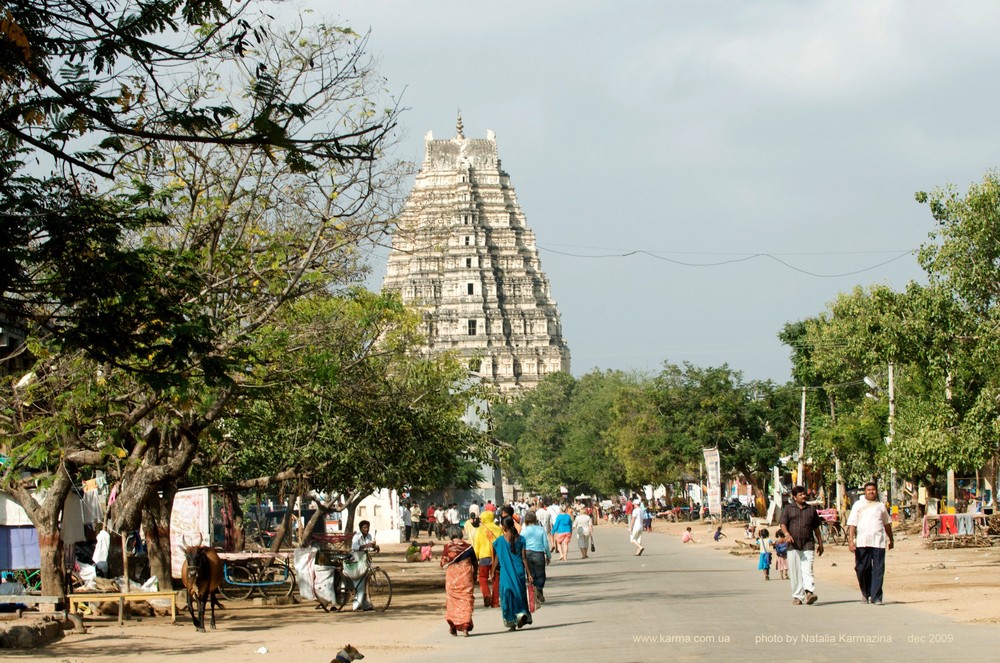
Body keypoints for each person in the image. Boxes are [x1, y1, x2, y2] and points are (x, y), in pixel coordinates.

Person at [847, 481, 894, 605]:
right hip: (862, 542)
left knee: (878, 570)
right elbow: (852, 523)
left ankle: (877, 597)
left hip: (878, 542)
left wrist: (891, 539)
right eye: (869, 490)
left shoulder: (881, 506)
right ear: (865, 492)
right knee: (862, 569)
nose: (871, 492)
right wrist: (850, 540)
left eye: (873, 490)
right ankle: (865, 592)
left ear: (876, 491)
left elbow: (887, 524)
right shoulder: (858, 505)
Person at [779, 485, 824, 605]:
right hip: (792, 545)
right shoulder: (788, 509)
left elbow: (816, 528)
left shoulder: (811, 510)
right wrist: (787, 534)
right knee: (794, 571)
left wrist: (820, 543)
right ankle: (797, 596)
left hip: (808, 543)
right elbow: (783, 523)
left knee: (808, 569)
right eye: (800, 494)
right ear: (794, 497)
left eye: (804, 494)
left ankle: (809, 592)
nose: (804, 496)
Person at [490, 516, 532, 631]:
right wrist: (529, 573)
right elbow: (524, 558)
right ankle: (521, 613)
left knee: (507, 596)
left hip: (506, 574)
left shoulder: (499, 541)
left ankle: (512, 621)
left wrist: (493, 572)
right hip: (519, 572)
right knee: (519, 594)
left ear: (503, 527)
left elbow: (497, 559)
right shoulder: (521, 539)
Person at [441, 525, 476, 636]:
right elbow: (475, 563)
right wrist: (475, 575)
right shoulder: (469, 547)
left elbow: (443, 563)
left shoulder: (447, 547)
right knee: (466, 601)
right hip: (466, 578)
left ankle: (453, 626)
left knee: (453, 603)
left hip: (452, 580)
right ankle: (465, 626)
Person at [472, 511, 502, 608]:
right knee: (496, 579)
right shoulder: (498, 529)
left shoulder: (480, 530)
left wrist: (475, 558)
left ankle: (486, 595)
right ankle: (495, 602)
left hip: (483, 557)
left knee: (482, 578)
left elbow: (476, 545)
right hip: (496, 558)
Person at [350, 520, 380, 612]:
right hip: (356, 560)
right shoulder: (357, 537)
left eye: (367, 527)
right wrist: (366, 545)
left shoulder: (369, 536)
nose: (366, 529)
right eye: (364, 527)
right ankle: (357, 604)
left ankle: (364, 604)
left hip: (365, 560)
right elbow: (355, 547)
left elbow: (370, 547)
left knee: (366, 580)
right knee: (360, 582)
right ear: (361, 528)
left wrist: (375, 547)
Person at [521, 510, 550, 603]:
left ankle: (534, 595)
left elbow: (521, 544)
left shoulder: (524, 531)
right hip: (539, 553)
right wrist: (548, 555)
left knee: (531, 575)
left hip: (527, 554)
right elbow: (546, 544)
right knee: (541, 575)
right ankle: (539, 589)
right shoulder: (541, 529)